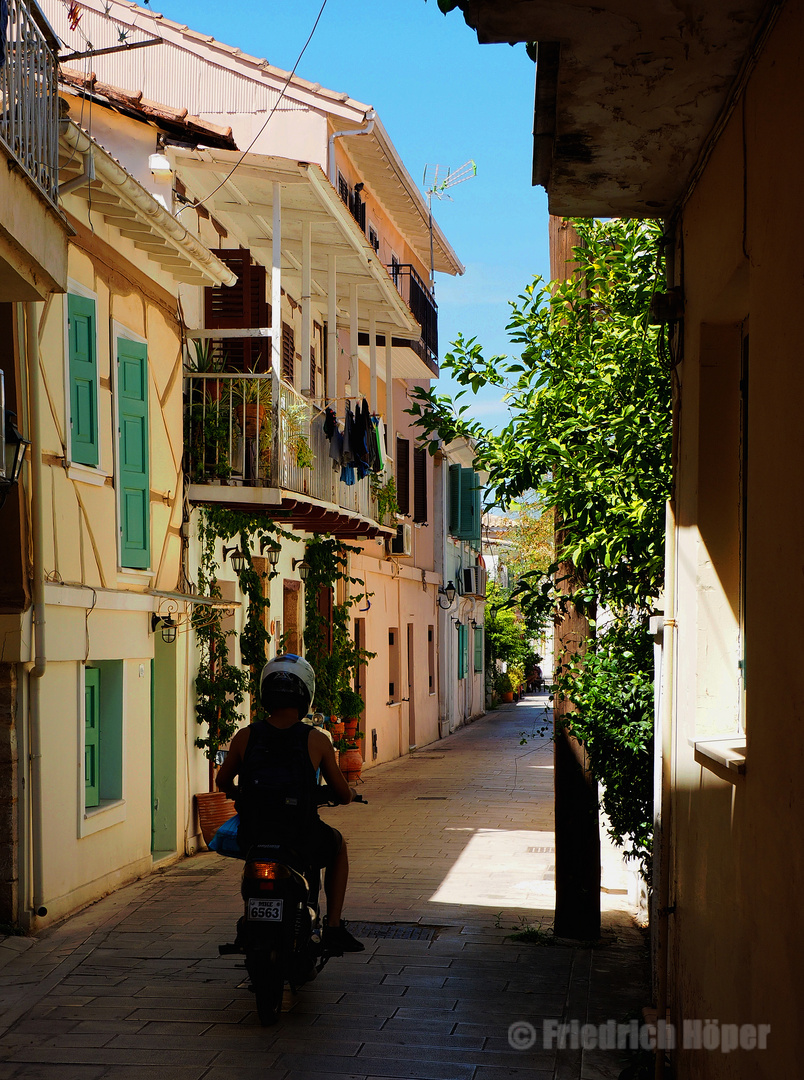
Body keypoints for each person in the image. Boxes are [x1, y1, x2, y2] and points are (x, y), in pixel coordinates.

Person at [215, 653, 364, 955]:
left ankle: (249, 920)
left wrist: (239, 794)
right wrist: (345, 796)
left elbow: (222, 781)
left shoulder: (245, 736)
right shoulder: (317, 739)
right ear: (305, 695)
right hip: (300, 835)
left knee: (252, 866)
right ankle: (333, 927)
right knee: (338, 846)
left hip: (254, 834)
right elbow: (342, 792)